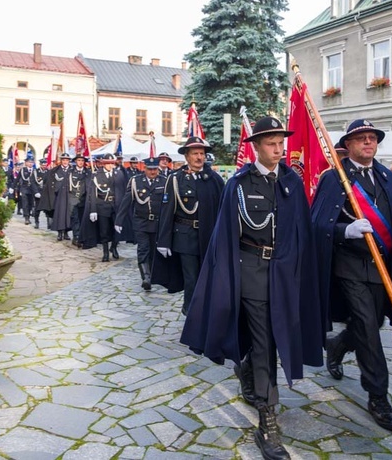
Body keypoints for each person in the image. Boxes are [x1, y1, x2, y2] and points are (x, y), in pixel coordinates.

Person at [180, 117, 324, 460]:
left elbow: (301, 231)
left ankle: (245, 370)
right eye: (271, 143)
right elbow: (226, 237)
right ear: (255, 146)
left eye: (281, 142)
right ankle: (268, 418)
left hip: (285, 273)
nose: (279, 148)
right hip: (253, 272)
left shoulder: (291, 181)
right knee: (265, 343)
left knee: (275, 338)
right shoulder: (239, 184)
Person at [311, 119, 392, 433]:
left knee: (371, 323)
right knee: (369, 329)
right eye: (361, 139)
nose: (368, 143)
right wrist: (346, 230)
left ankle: (338, 346)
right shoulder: (335, 178)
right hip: (349, 268)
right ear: (349, 145)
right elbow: (316, 224)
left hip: (386, 267)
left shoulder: (389, 179)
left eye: (372, 138)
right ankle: (378, 396)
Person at [153, 136, 224, 315]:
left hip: (209, 236)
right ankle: (191, 312)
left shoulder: (214, 179)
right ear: (187, 156)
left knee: (207, 277)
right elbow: (167, 210)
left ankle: (205, 312)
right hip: (185, 237)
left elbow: (223, 210)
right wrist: (163, 240)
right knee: (191, 279)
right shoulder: (176, 179)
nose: (199, 157)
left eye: (202, 153)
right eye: (195, 154)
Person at [115, 157, 166, 288]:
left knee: (154, 250)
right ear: (145, 169)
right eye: (150, 169)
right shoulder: (135, 181)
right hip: (141, 222)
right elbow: (126, 201)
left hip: (157, 222)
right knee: (143, 249)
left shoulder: (164, 181)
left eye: (155, 169)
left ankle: (154, 274)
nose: (153, 172)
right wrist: (119, 221)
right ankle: (146, 277)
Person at [86, 154, 128, 261]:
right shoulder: (96, 175)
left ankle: (113, 247)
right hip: (102, 205)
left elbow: (123, 191)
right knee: (104, 231)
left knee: (117, 229)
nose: (110, 165)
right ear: (103, 163)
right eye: (107, 163)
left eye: (112, 163)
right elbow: (93, 193)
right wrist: (93, 210)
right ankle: (105, 252)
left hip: (116, 206)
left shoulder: (118, 174)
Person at [17, 157, 36, 225]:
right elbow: (18, 179)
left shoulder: (34, 170)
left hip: (32, 189)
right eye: (29, 162)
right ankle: (26, 218)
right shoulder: (23, 170)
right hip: (24, 188)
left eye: (32, 162)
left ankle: (28, 214)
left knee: (31, 203)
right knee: (25, 203)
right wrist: (13, 187)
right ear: (26, 163)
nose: (30, 164)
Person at [31, 158, 49, 229]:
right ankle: (36, 222)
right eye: (42, 165)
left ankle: (49, 223)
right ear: (40, 165)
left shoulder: (49, 172)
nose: (44, 166)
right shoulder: (36, 172)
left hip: (46, 193)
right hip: (38, 192)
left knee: (47, 208)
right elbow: (33, 182)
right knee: (37, 208)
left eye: (45, 165)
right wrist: (36, 192)